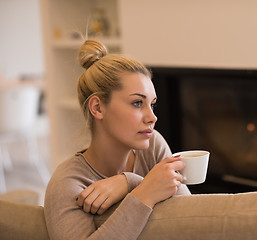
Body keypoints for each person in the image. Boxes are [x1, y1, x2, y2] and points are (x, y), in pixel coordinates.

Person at [44, 39, 191, 240]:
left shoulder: (153, 145)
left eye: (152, 104)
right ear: (97, 108)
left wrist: (129, 182)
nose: (153, 117)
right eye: (137, 103)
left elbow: (191, 220)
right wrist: (145, 191)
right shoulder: (68, 184)